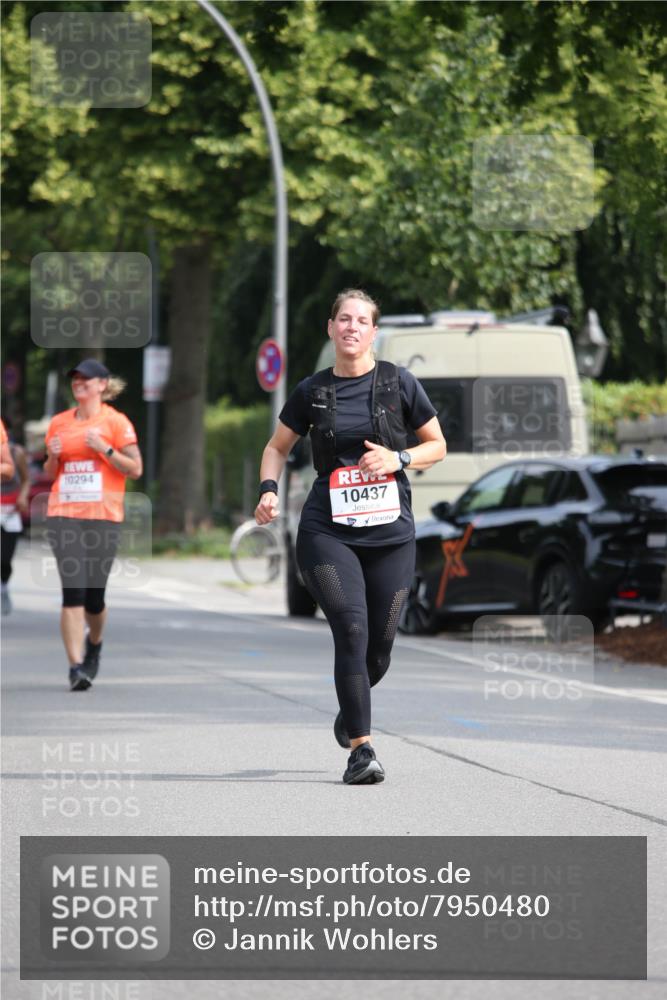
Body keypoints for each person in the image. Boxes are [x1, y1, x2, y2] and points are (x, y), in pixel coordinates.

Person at [255, 290, 446, 784]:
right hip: (327, 531)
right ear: (331, 328)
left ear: (373, 331)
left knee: (379, 647)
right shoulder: (312, 391)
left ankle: (350, 711)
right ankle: (362, 750)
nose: (352, 327)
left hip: (390, 534)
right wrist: (269, 490)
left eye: (362, 320)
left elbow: (437, 446)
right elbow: (276, 447)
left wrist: (397, 458)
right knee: (351, 628)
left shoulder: (399, 384)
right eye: (344, 319)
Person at [43, 360, 143, 691]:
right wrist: (54, 457)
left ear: (102, 385)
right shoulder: (58, 423)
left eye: (86, 379)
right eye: (75, 379)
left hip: (103, 517)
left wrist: (105, 449)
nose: (79, 383)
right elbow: (48, 473)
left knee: (94, 598)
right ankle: (75, 667)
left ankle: (94, 645)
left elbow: (135, 468)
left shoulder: (116, 422)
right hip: (64, 514)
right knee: (72, 593)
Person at [1, 420, 30, 615]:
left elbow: (26, 480)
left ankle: (4, 586)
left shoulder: (16, 453)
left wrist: (22, 497)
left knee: (5, 558)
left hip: (11, 511)